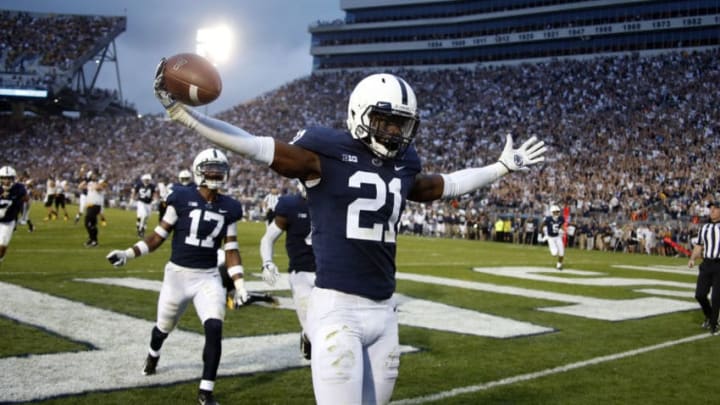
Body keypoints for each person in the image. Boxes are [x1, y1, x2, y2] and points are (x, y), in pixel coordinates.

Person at [154, 68, 546, 404]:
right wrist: (185, 116)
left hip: (384, 311)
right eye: (384, 119)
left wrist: (499, 168)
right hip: (337, 309)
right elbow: (253, 146)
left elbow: (442, 186)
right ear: (359, 113)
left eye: (401, 123)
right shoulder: (324, 152)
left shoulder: (405, 165)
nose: (393, 131)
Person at [106, 148, 247, 405]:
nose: (215, 174)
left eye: (219, 169)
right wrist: (128, 253)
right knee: (163, 328)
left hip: (208, 277)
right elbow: (159, 236)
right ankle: (153, 353)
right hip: (177, 276)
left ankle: (206, 391)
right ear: (198, 171)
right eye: (210, 169)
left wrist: (239, 283)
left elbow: (231, 248)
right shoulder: (180, 197)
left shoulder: (230, 207)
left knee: (214, 327)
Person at [259, 180, 316, 360]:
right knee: (312, 329)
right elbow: (267, 239)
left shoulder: (334, 204)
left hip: (330, 273)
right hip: (301, 273)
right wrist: (267, 262)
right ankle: (307, 336)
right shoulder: (291, 205)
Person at [688, 201, 720, 335]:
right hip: (706, 264)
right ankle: (709, 316)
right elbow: (699, 246)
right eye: (711, 208)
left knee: (716, 297)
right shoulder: (704, 227)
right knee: (700, 294)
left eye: (715, 209)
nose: (712, 211)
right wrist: (692, 259)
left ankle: (714, 324)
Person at [0, 166, 29, 264]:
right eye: (4, 178)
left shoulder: (19, 188)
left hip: (8, 221)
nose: (6, 181)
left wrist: (24, 216)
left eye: (9, 178)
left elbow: (26, 201)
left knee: (3, 245)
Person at [80, 172, 106, 247]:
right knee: (92, 224)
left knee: (87, 223)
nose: (93, 177)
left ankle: (93, 240)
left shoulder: (98, 184)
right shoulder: (90, 184)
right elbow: (80, 186)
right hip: (89, 206)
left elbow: (98, 188)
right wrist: (86, 181)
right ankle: (93, 240)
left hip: (95, 206)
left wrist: (93, 184)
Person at [131, 173, 157, 237]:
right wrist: (132, 198)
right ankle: (140, 230)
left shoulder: (152, 186)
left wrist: (155, 199)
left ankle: (140, 229)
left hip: (149, 204)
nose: (146, 181)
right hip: (141, 202)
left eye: (147, 180)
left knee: (145, 218)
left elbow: (155, 193)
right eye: (145, 180)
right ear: (143, 180)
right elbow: (134, 192)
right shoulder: (139, 185)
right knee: (144, 215)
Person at [542, 204, 565, 270]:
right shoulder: (548, 219)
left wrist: (563, 230)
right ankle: (550, 246)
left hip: (558, 237)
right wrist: (544, 234)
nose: (556, 213)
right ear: (552, 212)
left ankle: (559, 265)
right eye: (555, 212)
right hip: (551, 238)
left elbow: (561, 225)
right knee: (554, 254)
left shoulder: (561, 218)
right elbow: (542, 225)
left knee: (561, 252)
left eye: (557, 212)